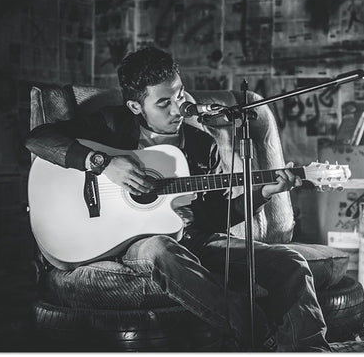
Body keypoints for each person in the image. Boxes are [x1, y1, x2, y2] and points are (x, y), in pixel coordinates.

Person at [25, 47, 331, 352]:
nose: (178, 109)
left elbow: (216, 216)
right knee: (161, 248)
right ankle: (255, 334)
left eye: (180, 95)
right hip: (132, 243)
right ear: (135, 106)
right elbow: (38, 139)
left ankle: (311, 350)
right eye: (163, 103)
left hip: (192, 239)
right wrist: (102, 163)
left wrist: (262, 193)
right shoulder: (110, 125)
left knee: (290, 262)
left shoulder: (200, 143)